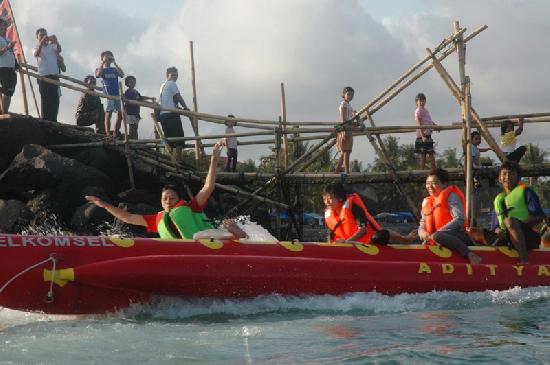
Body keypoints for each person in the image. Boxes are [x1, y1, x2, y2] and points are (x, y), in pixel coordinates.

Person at [85, 143, 246, 240]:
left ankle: (236, 235)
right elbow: (128, 217)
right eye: (165, 199)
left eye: (172, 198)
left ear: (179, 200)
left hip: (209, 243)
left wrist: (214, 160)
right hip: (184, 256)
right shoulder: (157, 219)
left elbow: (208, 187)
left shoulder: (192, 207)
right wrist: (104, 205)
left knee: (198, 236)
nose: (168, 201)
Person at [418, 168, 482, 264]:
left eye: (434, 183)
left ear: (444, 184)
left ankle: (469, 254)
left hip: (457, 235)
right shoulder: (426, 202)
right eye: (428, 183)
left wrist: (437, 233)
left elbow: (460, 219)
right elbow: (422, 224)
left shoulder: (451, 196)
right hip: (437, 237)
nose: (430, 186)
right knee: (431, 236)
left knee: (438, 235)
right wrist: (422, 233)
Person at [323, 183, 417, 245]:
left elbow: (363, 229)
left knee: (380, 236)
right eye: (324, 199)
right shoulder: (329, 214)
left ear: (340, 198)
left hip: (366, 240)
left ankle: (404, 239)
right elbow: (330, 234)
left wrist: (347, 243)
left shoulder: (353, 206)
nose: (326, 202)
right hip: (345, 244)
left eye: (330, 198)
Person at [491, 161, 544, 264]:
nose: (508, 177)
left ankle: (524, 260)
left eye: (512, 174)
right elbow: (495, 226)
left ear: (518, 178)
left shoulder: (527, 192)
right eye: (504, 174)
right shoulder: (499, 200)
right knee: (475, 232)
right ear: (499, 178)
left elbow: (538, 216)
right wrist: (498, 231)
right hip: (506, 237)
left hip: (529, 236)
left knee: (510, 221)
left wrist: (517, 225)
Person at [158, 66, 190, 159]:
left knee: (169, 139)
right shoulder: (172, 83)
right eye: (173, 75)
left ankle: (170, 158)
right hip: (171, 114)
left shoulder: (162, 85)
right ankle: (178, 160)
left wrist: (178, 107)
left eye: (176, 75)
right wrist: (186, 108)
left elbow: (168, 100)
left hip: (163, 114)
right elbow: (178, 97)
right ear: (167, 75)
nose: (175, 77)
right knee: (179, 137)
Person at [33, 28, 62, 122]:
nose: (44, 37)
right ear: (37, 37)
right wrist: (41, 42)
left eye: (45, 34)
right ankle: (45, 120)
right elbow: (36, 54)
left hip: (54, 76)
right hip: (43, 77)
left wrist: (56, 41)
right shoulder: (36, 47)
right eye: (41, 35)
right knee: (46, 100)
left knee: (55, 100)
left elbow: (59, 50)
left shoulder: (52, 46)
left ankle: (54, 120)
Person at [96, 50, 124, 136]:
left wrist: (115, 63)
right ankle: (107, 133)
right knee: (109, 113)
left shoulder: (114, 69)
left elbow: (122, 74)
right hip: (107, 94)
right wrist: (102, 63)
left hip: (116, 94)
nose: (108, 57)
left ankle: (115, 132)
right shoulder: (101, 69)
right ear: (102, 58)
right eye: (106, 56)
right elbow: (98, 75)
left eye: (110, 56)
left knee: (120, 114)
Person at [335, 86, 356, 174]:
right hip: (345, 129)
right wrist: (344, 131)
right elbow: (343, 120)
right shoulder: (343, 105)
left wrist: (354, 114)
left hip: (348, 129)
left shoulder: (348, 105)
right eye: (348, 94)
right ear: (344, 95)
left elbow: (350, 118)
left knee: (346, 152)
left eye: (352, 94)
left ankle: (336, 171)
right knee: (346, 151)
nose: (350, 96)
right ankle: (347, 171)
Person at [414, 93, 437, 170]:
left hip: (427, 134)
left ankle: (424, 170)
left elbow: (428, 120)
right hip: (423, 135)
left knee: (425, 153)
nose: (422, 102)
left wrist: (435, 125)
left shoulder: (425, 110)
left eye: (423, 100)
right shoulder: (419, 110)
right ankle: (433, 169)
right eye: (420, 100)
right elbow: (418, 122)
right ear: (416, 102)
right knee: (429, 153)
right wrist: (423, 135)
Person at [0, 18, 17, 114]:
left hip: (11, 69)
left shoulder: (7, 39)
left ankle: (3, 112)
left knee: (9, 92)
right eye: (2, 25)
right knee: (6, 92)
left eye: (5, 26)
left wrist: (16, 64)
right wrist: (7, 47)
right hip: (2, 68)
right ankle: (4, 113)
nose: (5, 28)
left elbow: (11, 54)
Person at [123, 75, 142, 140]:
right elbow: (127, 101)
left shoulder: (136, 91)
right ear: (127, 83)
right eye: (131, 82)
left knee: (135, 127)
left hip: (136, 112)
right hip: (130, 112)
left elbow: (141, 98)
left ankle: (136, 140)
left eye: (134, 81)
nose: (133, 83)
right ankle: (133, 141)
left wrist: (150, 99)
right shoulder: (127, 92)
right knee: (132, 127)